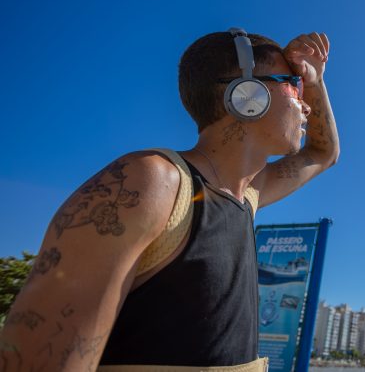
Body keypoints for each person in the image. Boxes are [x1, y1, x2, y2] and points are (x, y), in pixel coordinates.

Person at [0, 30, 339, 372]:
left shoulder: (248, 196)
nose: (305, 101)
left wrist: (316, 80)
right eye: (293, 85)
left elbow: (324, 153)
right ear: (246, 94)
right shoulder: (148, 184)